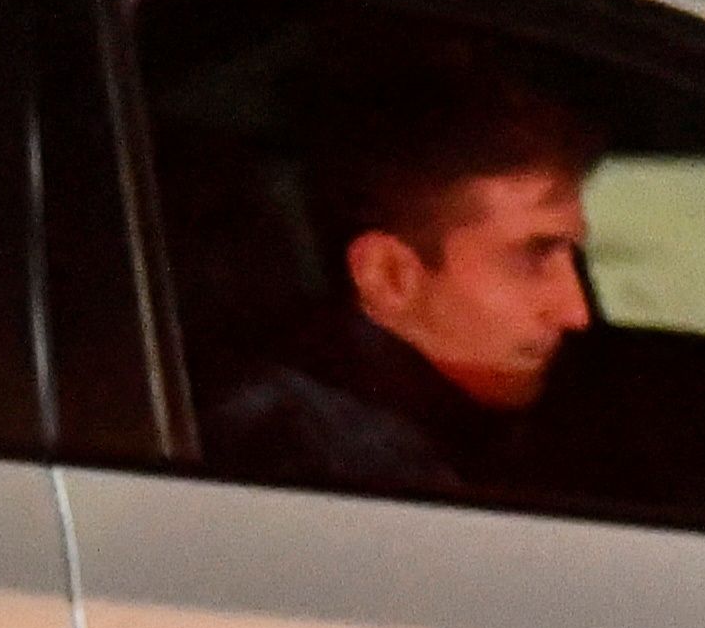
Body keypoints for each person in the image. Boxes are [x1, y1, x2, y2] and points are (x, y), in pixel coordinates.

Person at [205, 60, 600, 503]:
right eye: (533, 257)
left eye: (573, 258)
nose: (576, 312)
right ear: (389, 276)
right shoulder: (322, 464)